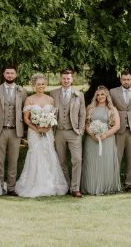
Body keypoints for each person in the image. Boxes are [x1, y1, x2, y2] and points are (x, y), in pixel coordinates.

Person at [15, 74, 68, 197]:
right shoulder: (30, 99)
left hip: (48, 132)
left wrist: (48, 127)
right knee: (36, 154)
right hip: (34, 132)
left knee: (49, 153)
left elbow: (53, 117)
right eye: (38, 84)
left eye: (43, 84)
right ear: (34, 86)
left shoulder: (50, 100)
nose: (41, 86)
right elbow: (26, 119)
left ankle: (50, 184)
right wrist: (36, 128)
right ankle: (34, 184)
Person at [50, 69, 86, 198]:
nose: (66, 80)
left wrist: (81, 130)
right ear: (61, 78)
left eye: (68, 78)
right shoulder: (53, 93)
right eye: (64, 78)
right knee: (61, 161)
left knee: (77, 159)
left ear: (72, 79)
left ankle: (75, 188)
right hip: (59, 132)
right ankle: (66, 186)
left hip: (74, 132)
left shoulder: (79, 94)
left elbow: (82, 113)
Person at [0, 66, 27, 196]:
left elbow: (25, 110)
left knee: (13, 159)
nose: (10, 75)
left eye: (12, 73)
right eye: (7, 73)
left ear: (16, 75)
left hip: (15, 130)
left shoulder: (22, 91)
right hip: (0, 129)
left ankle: (11, 188)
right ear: (3, 74)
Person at [81, 86, 121, 195]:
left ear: (106, 95)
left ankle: (105, 187)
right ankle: (91, 187)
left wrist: (105, 135)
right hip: (91, 140)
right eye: (98, 95)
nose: (100, 97)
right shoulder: (90, 107)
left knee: (105, 162)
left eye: (102, 94)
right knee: (91, 162)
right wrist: (92, 134)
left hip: (107, 140)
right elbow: (86, 124)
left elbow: (117, 126)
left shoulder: (112, 109)